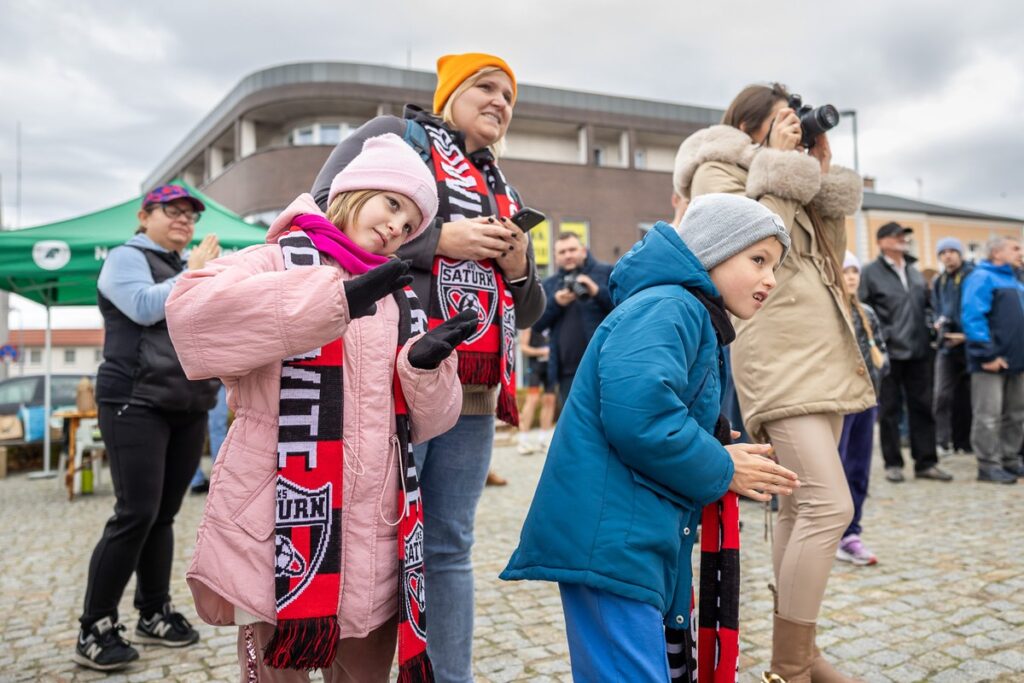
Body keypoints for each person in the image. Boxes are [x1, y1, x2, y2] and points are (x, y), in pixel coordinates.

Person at [166, 134, 471, 681]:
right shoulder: (274, 259)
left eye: (409, 227)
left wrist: (424, 369)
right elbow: (192, 320)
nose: (395, 229)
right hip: (277, 529)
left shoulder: (398, 296)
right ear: (354, 192)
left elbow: (429, 424)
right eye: (393, 205)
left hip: (376, 537)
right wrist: (332, 302)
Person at [309, 53, 544, 683]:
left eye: (510, 96)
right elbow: (327, 209)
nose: (501, 102)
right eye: (486, 88)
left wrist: (520, 263)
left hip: (471, 390)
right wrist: (439, 240)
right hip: (387, 372)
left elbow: (529, 307)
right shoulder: (393, 136)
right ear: (449, 94)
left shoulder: (505, 187)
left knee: (449, 546)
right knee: (371, 534)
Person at [502, 194, 800, 682]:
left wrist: (721, 448)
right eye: (758, 259)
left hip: (635, 535)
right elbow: (640, 416)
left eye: (775, 266)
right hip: (612, 541)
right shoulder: (668, 307)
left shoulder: (691, 312)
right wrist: (724, 466)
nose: (770, 278)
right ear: (713, 251)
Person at [673, 82, 873, 681]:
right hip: (778, 354)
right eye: (783, 120)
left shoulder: (786, 170)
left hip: (824, 351)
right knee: (827, 504)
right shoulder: (716, 169)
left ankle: (803, 653)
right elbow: (754, 245)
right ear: (752, 122)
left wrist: (819, 172)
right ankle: (789, 664)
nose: (794, 128)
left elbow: (828, 257)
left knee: (796, 508)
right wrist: (782, 166)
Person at [74, 185, 221, 672]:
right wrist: (196, 273)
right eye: (172, 211)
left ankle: (153, 611)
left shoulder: (184, 267)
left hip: (186, 401)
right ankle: (94, 626)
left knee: (163, 514)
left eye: (190, 215)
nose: (183, 220)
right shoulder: (125, 257)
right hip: (133, 400)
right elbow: (141, 306)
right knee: (134, 513)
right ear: (145, 216)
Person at [860, 222, 953, 483]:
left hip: (919, 350)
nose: (902, 239)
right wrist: (883, 338)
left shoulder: (913, 272)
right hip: (888, 352)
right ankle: (893, 463)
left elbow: (926, 306)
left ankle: (926, 462)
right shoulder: (870, 272)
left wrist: (930, 324)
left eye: (904, 235)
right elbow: (864, 311)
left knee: (923, 407)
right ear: (881, 242)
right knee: (889, 409)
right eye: (896, 235)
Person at [836, 252, 889, 566]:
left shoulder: (866, 312)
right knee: (835, 468)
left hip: (866, 401)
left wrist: (881, 367)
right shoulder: (828, 311)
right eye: (846, 271)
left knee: (858, 469)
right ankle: (831, 529)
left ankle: (851, 533)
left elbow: (881, 348)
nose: (852, 276)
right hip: (838, 402)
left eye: (856, 270)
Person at [960, 236, 1024, 484]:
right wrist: (986, 354)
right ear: (997, 252)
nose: (1021, 253)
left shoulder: (1016, 280)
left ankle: (1010, 458)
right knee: (988, 415)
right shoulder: (981, 277)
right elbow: (973, 316)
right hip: (991, 361)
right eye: (1015, 248)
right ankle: (988, 464)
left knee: (1016, 414)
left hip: (1016, 360)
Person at [532, 232, 613, 405]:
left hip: (604, 365)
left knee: (609, 423)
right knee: (576, 428)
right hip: (567, 373)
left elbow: (623, 309)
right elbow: (536, 325)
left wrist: (596, 291)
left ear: (583, 251)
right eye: (562, 252)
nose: (568, 255)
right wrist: (555, 303)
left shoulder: (606, 273)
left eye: (572, 249)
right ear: (555, 256)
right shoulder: (550, 284)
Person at [931, 237, 975, 456]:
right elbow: (937, 308)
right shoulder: (940, 281)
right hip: (946, 345)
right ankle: (942, 440)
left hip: (970, 344)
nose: (948, 255)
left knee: (969, 397)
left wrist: (967, 335)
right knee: (942, 396)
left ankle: (965, 442)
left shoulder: (972, 276)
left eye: (952, 251)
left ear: (960, 253)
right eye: (943, 252)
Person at [517, 328, 556, 455]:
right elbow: (523, 347)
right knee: (532, 400)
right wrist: (541, 351)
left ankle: (543, 440)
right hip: (535, 369)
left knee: (550, 401)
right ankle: (523, 440)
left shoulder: (553, 318)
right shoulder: (532, 323)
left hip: (549, 367)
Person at [189, 382, 226, 494]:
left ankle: (197, 481)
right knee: (218, 430)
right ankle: (220, 479)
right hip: (216, 378)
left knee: (191, 428)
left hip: (192, 379)